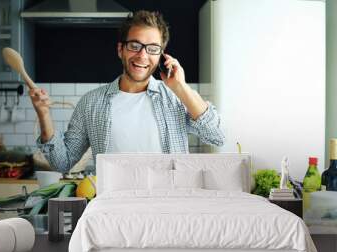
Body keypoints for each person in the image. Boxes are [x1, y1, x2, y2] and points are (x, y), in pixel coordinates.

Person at [30, 10, 225, 173]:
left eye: (152, 48)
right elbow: (63, 163)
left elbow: (217, 135)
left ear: (161, 56)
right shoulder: (91, 103)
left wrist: (180, 87)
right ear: (120, 50)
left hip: (168, 210)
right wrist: (44, 114)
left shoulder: (176, 98)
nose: (142, 55)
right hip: (115, 213)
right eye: (134, 46)